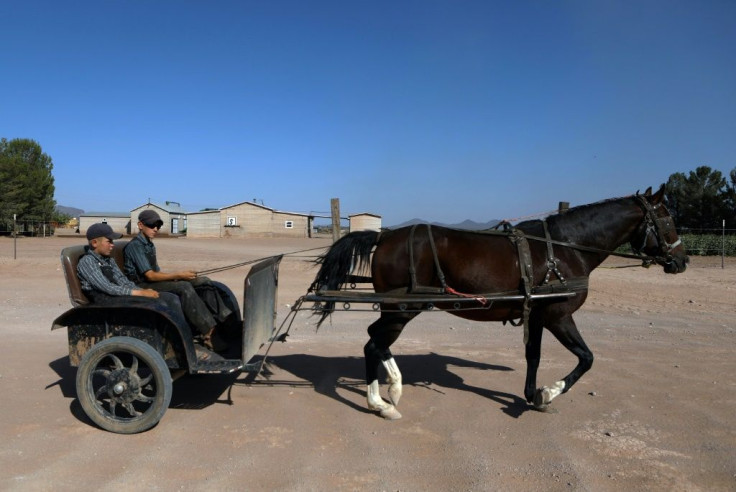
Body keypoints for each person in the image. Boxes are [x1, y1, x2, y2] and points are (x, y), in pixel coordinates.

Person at [77, 222, 211, 361]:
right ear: (94, 243)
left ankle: (183, 343)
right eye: (109, 241)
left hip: (117, 296)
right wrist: (140, 293)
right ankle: (177, 348)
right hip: (105, 302)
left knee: (170, 298)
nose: (112, 245)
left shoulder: (108, 261)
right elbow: (107, 288)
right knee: (161, 304)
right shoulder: (87, 262)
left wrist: (144, 290)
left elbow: (123, 281)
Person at [123, 209, 232, 351]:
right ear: (140, 225)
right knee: (184, 287)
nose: (155, 229)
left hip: (152, 280)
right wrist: (178, 276)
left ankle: (225, 320)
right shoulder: (135, 246)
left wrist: (178, 277)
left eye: (158, 226)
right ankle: (208, 333)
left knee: (203, 281)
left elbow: (157, 272)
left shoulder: (149, 244)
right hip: (141, 285)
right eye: (151, 225)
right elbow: (150, 276)